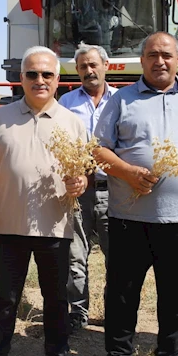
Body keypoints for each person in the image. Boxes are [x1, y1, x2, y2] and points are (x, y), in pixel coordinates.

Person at [94, 31, 178, 356]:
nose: (159, 61)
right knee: (122, 293)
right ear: (141, 60)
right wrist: (128, 172)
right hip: (130, 219)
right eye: (152, 55)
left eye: (167, 54)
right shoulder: (122, 100)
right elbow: (99, 151)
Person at [0, 46, 88, 356]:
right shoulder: (0, 118)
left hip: (56, 227)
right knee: (6, 296)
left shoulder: (73, 123)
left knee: (56, 298)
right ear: (21, 78)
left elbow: (81, 174)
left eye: (47, 74)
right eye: (32, 74)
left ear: (57, 80)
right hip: (8, 225)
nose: (40, 80)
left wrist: (80, 182)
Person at [57, 42, 117, 333]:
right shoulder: (66, 104)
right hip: (77, 192)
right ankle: (78, 314)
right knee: (75, 257)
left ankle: (114, 313)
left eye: (94, 65)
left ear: (106, 66)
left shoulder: (122, 101)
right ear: (77, 71)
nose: (89, 71)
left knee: (116, 257)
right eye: (83, 67)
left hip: (115, 190)